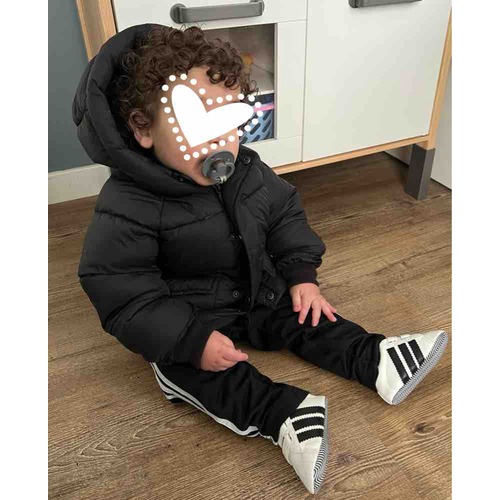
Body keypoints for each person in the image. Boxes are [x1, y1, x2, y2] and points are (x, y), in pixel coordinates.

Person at [73, 23, 448, 495]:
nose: (223, 143)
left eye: (230, 124)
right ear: (143, 128)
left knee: (305, 311)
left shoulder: (247, 170)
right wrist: (188, 339)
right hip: (190, 319)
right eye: (199, 126)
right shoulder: (127, 205)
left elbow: (283, 212)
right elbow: (123, 291)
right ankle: (283, 415)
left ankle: (374, 358)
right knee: (203, 371)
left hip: (255, 289)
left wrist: (300, 274)